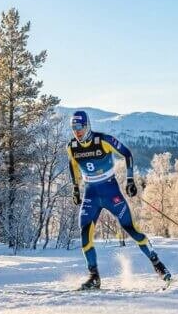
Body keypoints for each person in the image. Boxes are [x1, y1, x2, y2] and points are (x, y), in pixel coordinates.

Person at [66, 110, 171, 290]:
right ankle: (94, 277)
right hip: (91, 194)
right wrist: (75, 188)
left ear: (87, 125)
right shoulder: (72, 147)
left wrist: (130, 180)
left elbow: (127, 154)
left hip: (110, 191)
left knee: (131, 229)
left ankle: (158, 265)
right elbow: (73, 166)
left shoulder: (103, 141)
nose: (77, 131)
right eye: (74, 128)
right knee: (85, 233)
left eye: (80, 127)